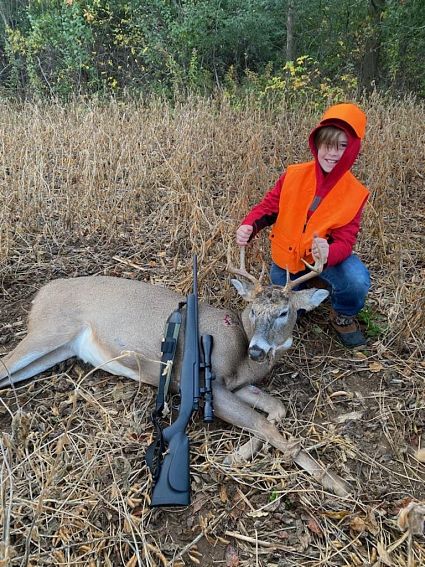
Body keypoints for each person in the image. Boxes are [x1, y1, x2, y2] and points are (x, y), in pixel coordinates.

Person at [236, 102, 370, 347]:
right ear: (317, 144)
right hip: (286, 261)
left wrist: (330, 253)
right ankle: (313, 287)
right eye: (327, 145)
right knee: (280, 307)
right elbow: (268, 208)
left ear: (352, 150)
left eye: (342, 146)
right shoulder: (294, 175)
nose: (333, 153)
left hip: (319, 260)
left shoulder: (355, 193)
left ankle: (343, 314)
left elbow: (346, 239)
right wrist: (249, 226)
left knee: (356, 280)